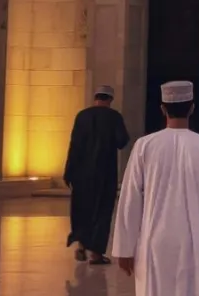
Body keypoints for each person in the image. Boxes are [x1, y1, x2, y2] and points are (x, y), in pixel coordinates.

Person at [112, 80, 199, 296]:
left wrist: (124, 248)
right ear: (192, 108)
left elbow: (130, 199)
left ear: (163, 109)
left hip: (154, 239)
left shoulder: (144, 145)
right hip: (196, 241)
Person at [63, 84, 130, 265]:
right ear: (109, 99)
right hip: (104, 173)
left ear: (95, 97)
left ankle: (82, 245)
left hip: (81, 173)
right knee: (102, 211)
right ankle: (97, 254)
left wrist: (68, 171)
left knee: (83, 209)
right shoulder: (114, 117)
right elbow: (122, 141)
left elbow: (74, 144)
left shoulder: (82, 116)